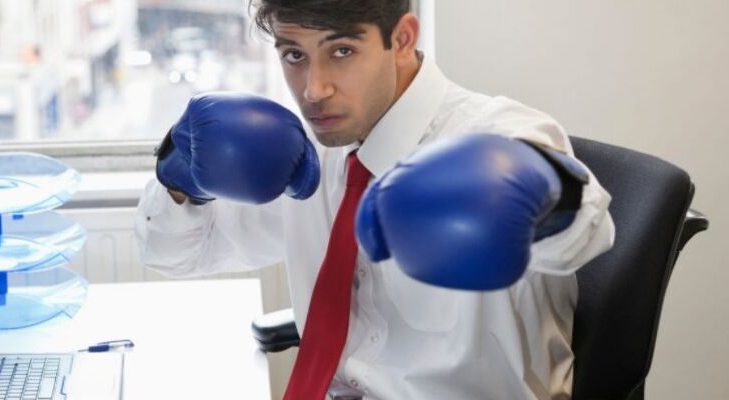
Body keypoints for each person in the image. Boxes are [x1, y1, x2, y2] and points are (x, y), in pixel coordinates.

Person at [135, 1, 615, 398]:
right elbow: (174, 255)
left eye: (341, 50)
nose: (313, 89)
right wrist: (180, 171)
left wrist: (536, 190)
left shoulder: (497, 135)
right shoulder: (304, 157)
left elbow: (586, 234)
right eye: (293, 55)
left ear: (403, 38)